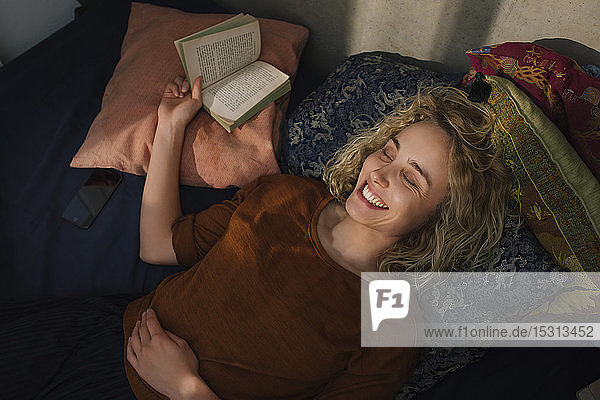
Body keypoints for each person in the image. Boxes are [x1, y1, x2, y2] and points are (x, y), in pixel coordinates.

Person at [1, 75, 512, 400]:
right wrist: (170, 128)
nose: (380, 174)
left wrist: (186, 388)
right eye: (390, 151)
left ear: (439, 221)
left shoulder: (396, 319)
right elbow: (158, 247)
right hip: (100, 334)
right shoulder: (285, 195)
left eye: (410, 178)